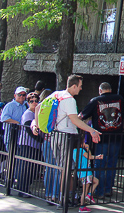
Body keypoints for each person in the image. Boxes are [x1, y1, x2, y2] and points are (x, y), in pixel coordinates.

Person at [33, 74, 101, 206]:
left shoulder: (56, 94)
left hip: (54, 135)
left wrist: (37, 124)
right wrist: (91, 130)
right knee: (66, 169)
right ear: (74, 86)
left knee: (62, 168)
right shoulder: (69, 99)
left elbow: (37, 108)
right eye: (80, 87)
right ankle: (64, 199)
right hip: (66, 136)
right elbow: (75, 120)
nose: (80, 89)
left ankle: (63, 197)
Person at [79, 82, 124, 198]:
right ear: (110, 90)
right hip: (116, 137)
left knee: (100, 164)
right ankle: (108, 189)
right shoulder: (119, 99)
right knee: (111, 164)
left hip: (101, 138)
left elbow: (82, 116)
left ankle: (99, 191)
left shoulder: (95, 100)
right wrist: (123, 128)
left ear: (100, 90)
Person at [15, 92, 43, 197]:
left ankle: (25, 188)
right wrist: (41, 140)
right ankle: (22, 189)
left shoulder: (37, 114)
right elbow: (29, 130)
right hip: (27, 144)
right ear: (28, 103)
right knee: (26, 168)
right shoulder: (28, 114)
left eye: (36, 101)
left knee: (33, 168)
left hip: (35, 146)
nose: (34, 103)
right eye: (32, 101)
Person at [73, 138, 104, 213]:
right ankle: (82, 206)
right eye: (83, 142)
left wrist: (96, 156)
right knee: (85, 190)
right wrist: (88, 148)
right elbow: (89, 156)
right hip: (85, 172)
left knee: (96, 181)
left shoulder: (74, 151)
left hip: (83, 173)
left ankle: (89, 195)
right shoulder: (81, 150)